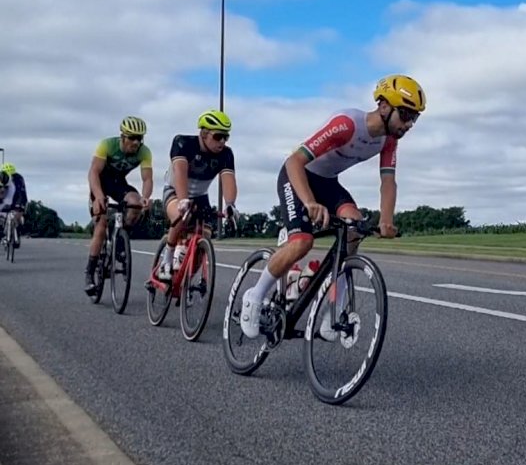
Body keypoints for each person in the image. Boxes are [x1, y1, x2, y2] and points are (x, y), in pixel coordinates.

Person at [239, 74, 426, 339]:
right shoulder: (347, 124)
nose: (409, 124)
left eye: (414, 118)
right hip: (298, 176)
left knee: (355, 227)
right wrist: (309, 202)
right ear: (384, 106)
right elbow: (294, 161)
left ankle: (331, 312)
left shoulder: (389, 141)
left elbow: (388, 182)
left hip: (327, 183)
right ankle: (254, 296)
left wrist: (386, 220)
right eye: (406, 115)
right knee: (302, 242)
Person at [156, 109, 239, 281]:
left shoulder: (226, 154)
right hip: (175, 190)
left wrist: (230, 204)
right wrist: (183, 200)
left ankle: (185, 280)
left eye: (226, 137)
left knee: (205, 235)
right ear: (203, 133)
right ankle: (167, 257)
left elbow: (228, 179)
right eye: (218, 136)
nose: (222, 141)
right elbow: (180, 172)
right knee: (181, 216)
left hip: (201, 196)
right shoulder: (183, 143)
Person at [85, 116, 153, 294]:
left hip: (118, 183)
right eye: (132, 137)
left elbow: (147, 179)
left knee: (135, 204)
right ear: (122, 137)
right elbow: (93, 172)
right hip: (100, 183)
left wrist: (145, 197)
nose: (136, 142)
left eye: (140, 138)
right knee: (101, 224)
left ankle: (121, 242)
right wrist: (99, 196)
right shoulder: (107, 145)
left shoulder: (144, 152)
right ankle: (90, 273)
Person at [0, 163, 27, 248]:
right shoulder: (2, 179)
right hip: (5, 198)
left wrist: (20, 208)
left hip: (18, 197)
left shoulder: (18, 179)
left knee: (17, 215)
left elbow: (22, 195)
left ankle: (17, 233)